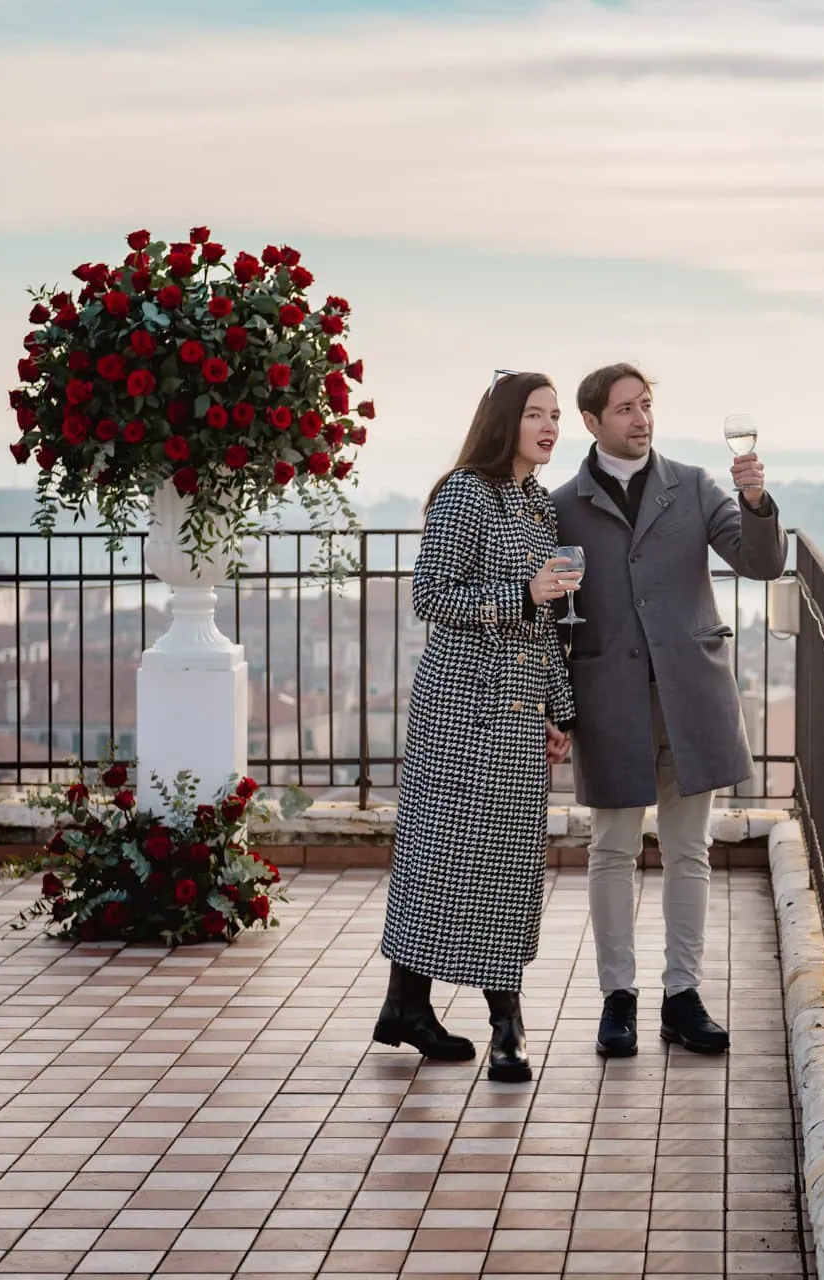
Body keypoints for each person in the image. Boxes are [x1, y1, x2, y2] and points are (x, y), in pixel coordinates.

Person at [550, 363, 786, 1057]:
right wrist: (552, 703)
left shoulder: (694, 485)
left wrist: (757, 501)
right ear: (592, 422)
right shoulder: (561, 505)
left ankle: (682, 996)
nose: (641, 419)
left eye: (646, 405)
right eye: (624, 409)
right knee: (612, 850)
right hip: (608, 699)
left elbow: (761, 564)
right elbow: (552, 615)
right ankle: (616, 998)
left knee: (690, 851)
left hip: (693, 694)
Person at [375, 371, 579, 1083]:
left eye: (555, 416)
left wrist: (561, 711)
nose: (550, 427)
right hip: (461, 706)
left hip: (520, 709)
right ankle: (506, 1025)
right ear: (503, 423)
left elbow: (547, 618)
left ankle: (405, 1005)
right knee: (453, 858)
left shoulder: (539, 506)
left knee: (505, 865)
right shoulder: (467, 492)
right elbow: (429, 595)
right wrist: (518, 593)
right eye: (534, 415)